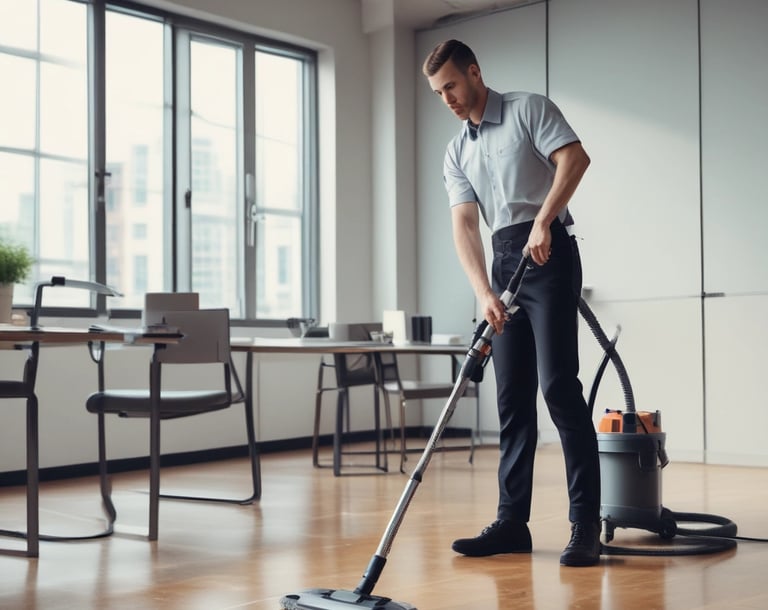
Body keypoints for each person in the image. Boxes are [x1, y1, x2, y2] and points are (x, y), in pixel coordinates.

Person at [422, 39, 601, 567]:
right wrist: (483, 292)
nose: (448, 98)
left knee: (558, 388)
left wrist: (545, 220)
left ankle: (585, 524)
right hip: (503, 265)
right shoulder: (457, 150)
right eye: (438, 92)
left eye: (452, 85)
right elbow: (463, 224)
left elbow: (574, 158)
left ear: (475, 72)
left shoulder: (528, 109)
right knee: (511, 400)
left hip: (548, 256)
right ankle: (510, 524)